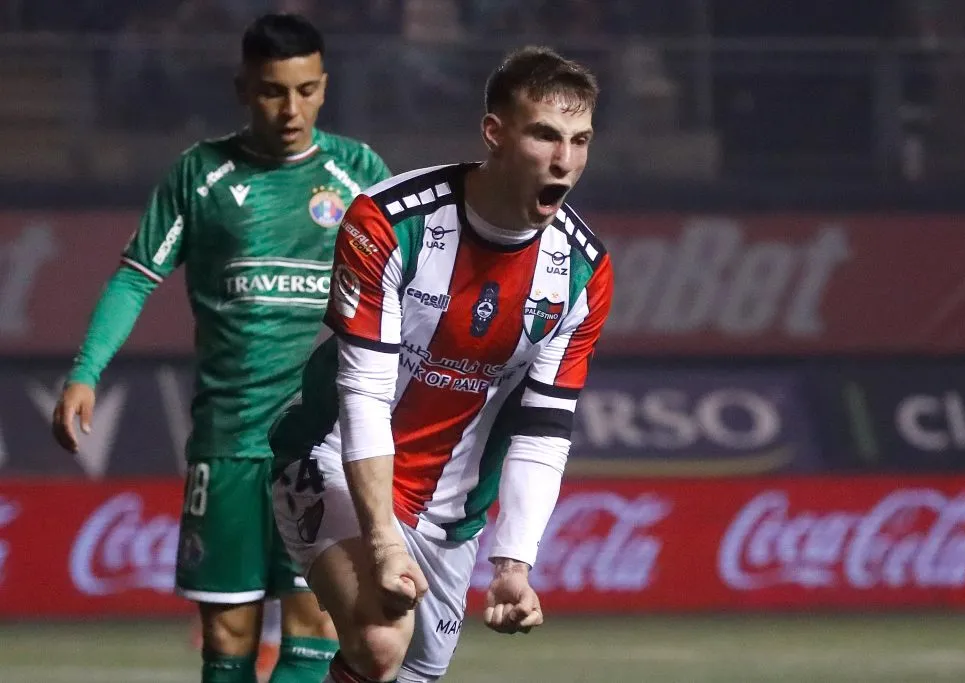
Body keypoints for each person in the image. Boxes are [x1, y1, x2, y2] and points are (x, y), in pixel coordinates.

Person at [51, 13, 392, 683]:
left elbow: (406, 286)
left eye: (305, 89)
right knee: (231, 632)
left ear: (324, 87)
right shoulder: (200, 175)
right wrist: (85, 371)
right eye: (272, 90)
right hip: (229, 439)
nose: (290, 109)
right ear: (243, 88)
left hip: (321, 441)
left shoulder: (358, 173)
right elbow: (135, 275)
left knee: (317, 620)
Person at [270, 46, 613, 682]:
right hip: (334, 461)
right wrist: (382, 537)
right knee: (379, 639)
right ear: (495, 133)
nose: (564, 160)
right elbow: (364, 395)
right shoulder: (390, 222)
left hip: (454, 514)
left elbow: (544, 426)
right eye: (544, 135)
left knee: (406, 674)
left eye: (580, 140)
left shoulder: (583, 271)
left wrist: (514, 562)